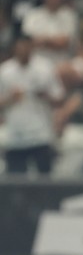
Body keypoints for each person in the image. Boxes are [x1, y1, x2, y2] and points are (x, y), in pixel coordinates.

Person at [0, 35, 64, 175]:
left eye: (26, 47)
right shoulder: (5, 71)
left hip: (41, 135)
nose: (23, 51)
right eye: (19, 47)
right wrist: (10, 98)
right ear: (14, 49)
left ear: (32, 47)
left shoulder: (45, 67)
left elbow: (59, 97)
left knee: (45, 181)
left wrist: (45, 95)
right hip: (15, 137)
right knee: (15, 185)